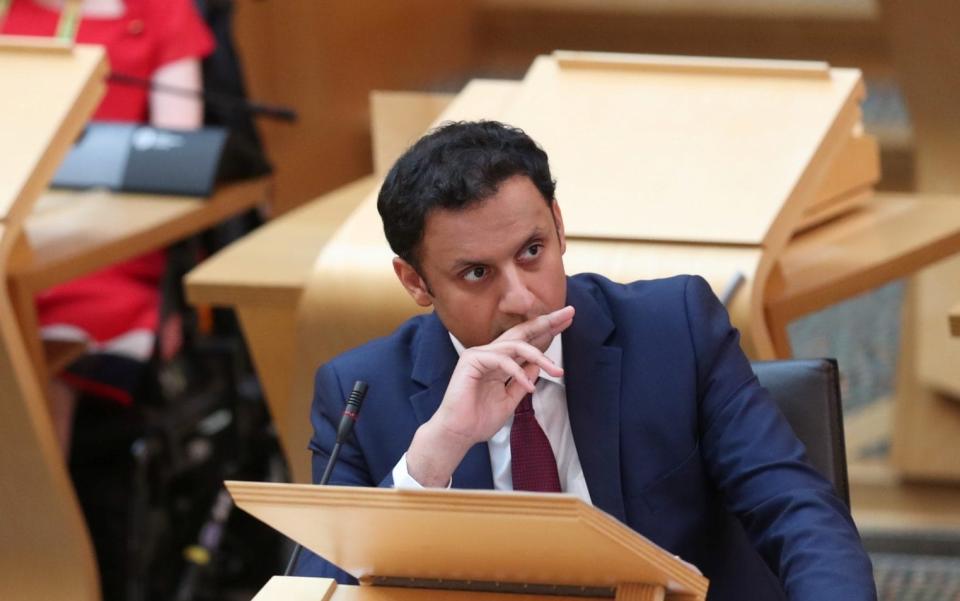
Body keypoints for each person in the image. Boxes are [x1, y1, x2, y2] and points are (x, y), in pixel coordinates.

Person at [294, 121, 877, 600]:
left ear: (560, 225)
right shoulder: (362, 393)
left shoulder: (674, 330)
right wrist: (435, 454)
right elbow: (313, 588)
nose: (521, 298)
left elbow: (798, 512)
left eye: (532, 251)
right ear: (416, 282)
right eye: (477, 273)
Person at [1, 0, 215, 451]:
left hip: (109, 256)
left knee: (42, 374)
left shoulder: (162, 12)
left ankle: (37, 515)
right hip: (15, 233)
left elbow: (175, 158)